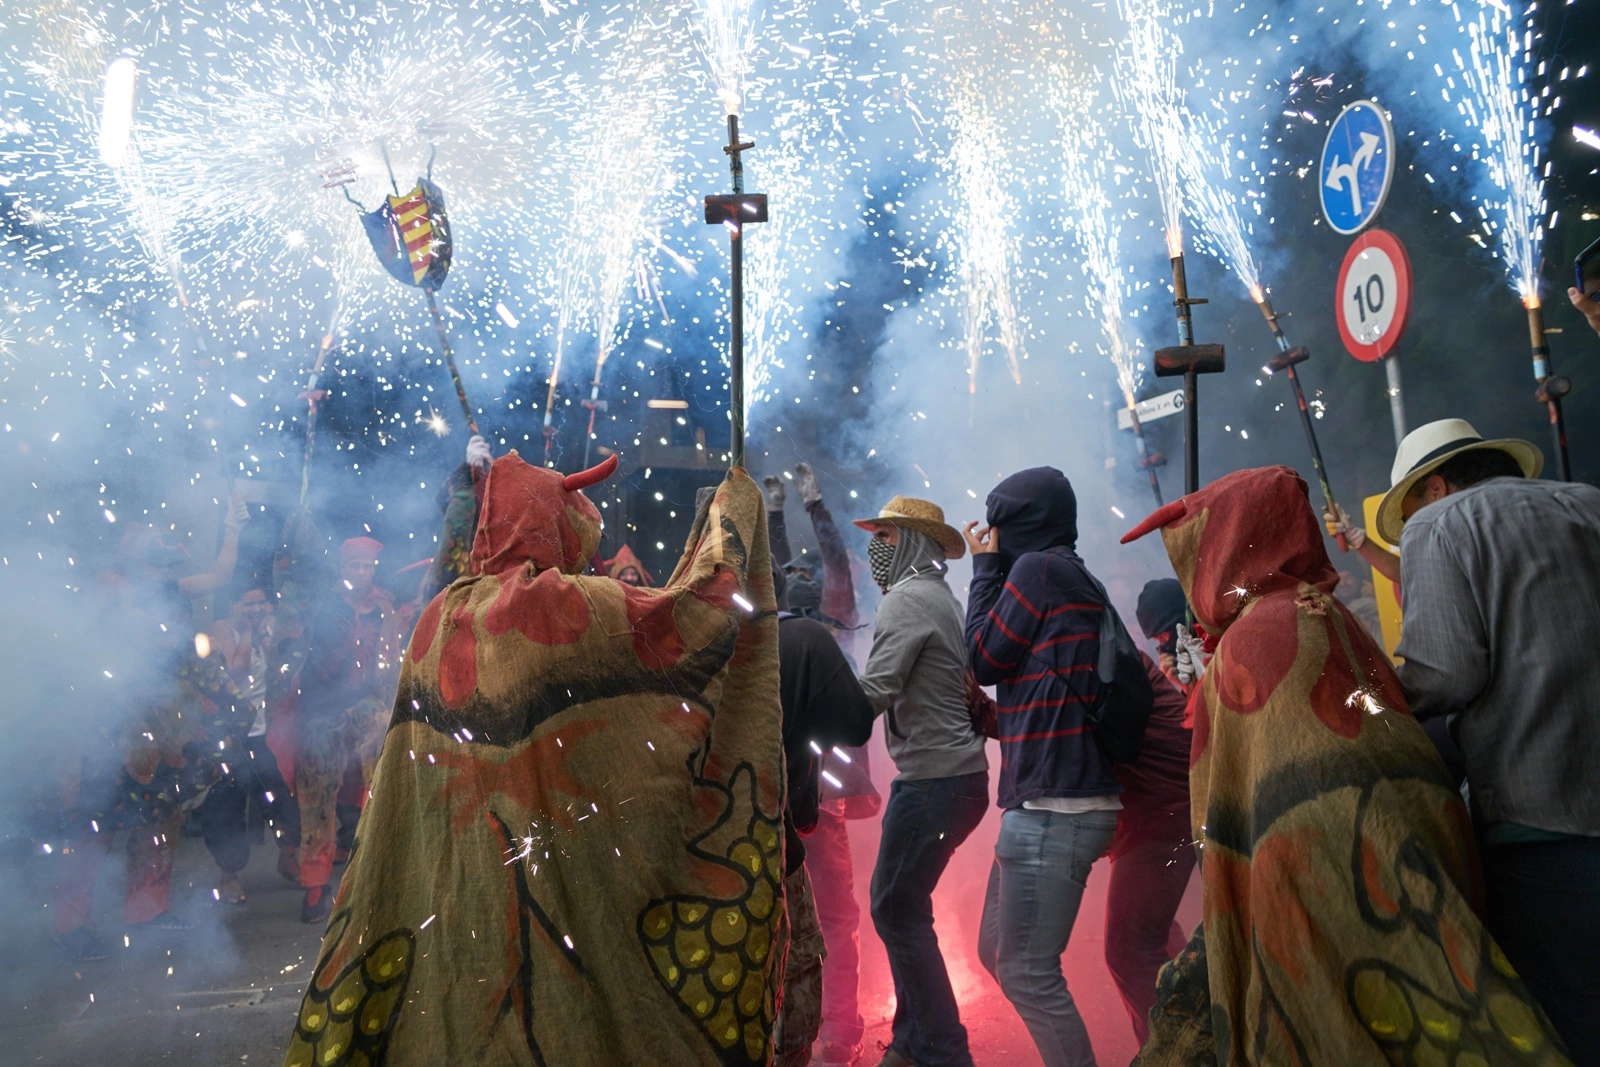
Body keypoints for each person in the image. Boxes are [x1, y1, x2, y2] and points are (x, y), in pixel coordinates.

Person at [283, 454, 789, 1066]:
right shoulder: (562, 606)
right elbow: (696, 613)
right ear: (547, 521)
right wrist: (736, 510)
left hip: (449, 881)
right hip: (557, 871)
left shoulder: (436, 616)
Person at [1123, 466, 1571, 1066]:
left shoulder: (1255, 636)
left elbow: (1237, 790)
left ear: (1230, 544)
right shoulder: (1320, 608)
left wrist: (1209, 687)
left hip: (1324, 880)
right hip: (1405, 848)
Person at [1377, 418, 1600, 1061]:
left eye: (1413, 502)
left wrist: (1367, 694)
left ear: (1436, 487)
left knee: (1572, 1020)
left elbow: (1444, 674)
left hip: (1546, 825)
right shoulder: (1587, 500)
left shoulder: (1439, 525)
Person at [961, 467, 1117, 1067]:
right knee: (996, 950)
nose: (992, 535)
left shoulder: (1038, 570)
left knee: (1028, 973)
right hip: (1056, 801)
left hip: (1056, 808)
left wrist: (984, 571)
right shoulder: (1074, 576)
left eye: (997, 523)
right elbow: (1039, 681)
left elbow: (984, 657)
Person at [52, 499, 254, 959]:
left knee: (161, 817)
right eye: (158, 558)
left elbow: (220, 576)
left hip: (164, 730)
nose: (167, 568)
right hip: (107, 732)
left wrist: (232, 529)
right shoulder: (107, 591)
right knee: (92, 824)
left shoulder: (167, 589)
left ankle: (146, 911)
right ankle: (70, 926)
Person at [852, 495, 986, 1067]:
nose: (873, 548)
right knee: (903, 907)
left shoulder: (909, 601)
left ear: (908, 542)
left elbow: (874, 692)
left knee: (895, 909)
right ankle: (910, 1045)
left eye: (883, 537)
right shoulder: (935, 595)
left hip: (936, 780)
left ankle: (942, 1052)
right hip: (950, 780)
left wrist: (809, 692)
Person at [766, 462, 880, 1067]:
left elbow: (828, 568)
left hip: (816, 803)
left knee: (830, 917)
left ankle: (836, 1028)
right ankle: (832, 1029)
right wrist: (790, 513)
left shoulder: (823, 632)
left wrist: (801, 511)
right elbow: (787, 577)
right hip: (810, 801)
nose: (804, 579)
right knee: (832, 918)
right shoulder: (811, 638)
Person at [294, 535, 403, 923]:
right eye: (355, 566)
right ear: (342, 570)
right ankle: (314, 887)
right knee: (316, 800)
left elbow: (389, 668)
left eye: (367, 566)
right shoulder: (322, 608)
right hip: (322, 715)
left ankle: (382, 877)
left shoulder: (384, 608)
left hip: (367, 708)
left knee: (383, 789)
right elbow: (304, 664)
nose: (362, 573)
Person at [198, 585, 301, 902]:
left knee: (280, 801)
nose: (256, 609)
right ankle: (228, 877)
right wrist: (245, 632)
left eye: (261, 603)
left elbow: (278, 673)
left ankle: (288, 860)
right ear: (233, 604)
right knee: (227, 809)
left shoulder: (270, 627)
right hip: (228, 738)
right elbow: (234, 672)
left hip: (258, 736)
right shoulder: (222, 630)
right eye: (248, 604)